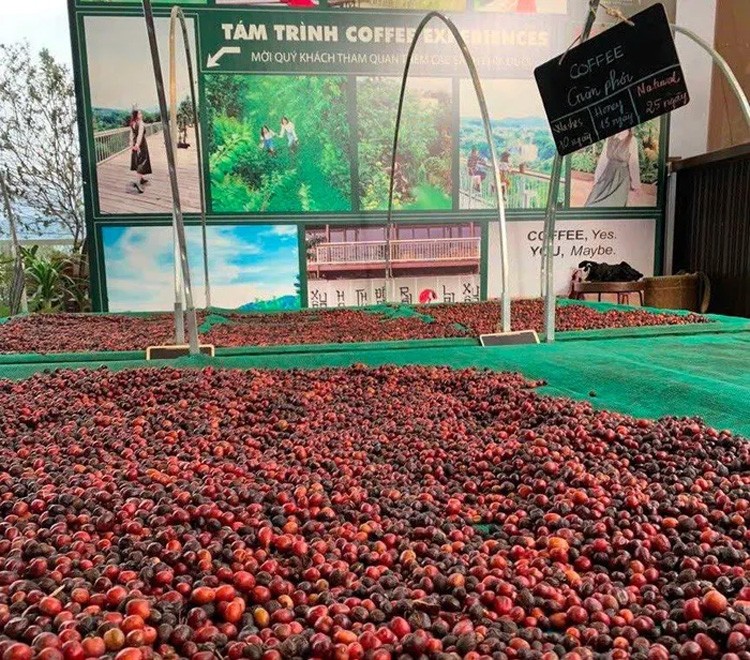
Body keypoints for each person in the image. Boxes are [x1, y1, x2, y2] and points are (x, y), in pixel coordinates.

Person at [585, 129, 641, 207]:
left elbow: (633, 164)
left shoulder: (632, 140)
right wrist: (597, 179)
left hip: (622, 178)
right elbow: (603, 160)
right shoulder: (610, 138)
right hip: (607, 175)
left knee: (617, 202)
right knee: (593, 201)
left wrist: (636, 185)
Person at [129, 109, 152, 194]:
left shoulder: (132, 123)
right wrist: (137, 145)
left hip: (135, 144)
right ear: (137, 115)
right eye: (140, 113)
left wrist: (132, 145)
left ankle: (141, 179)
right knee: (142, 162)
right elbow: (140, 135)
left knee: (138, 161)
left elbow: (131, 135)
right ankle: (138, 182)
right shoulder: (141, 123)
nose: (141, 114)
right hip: (141, 145)